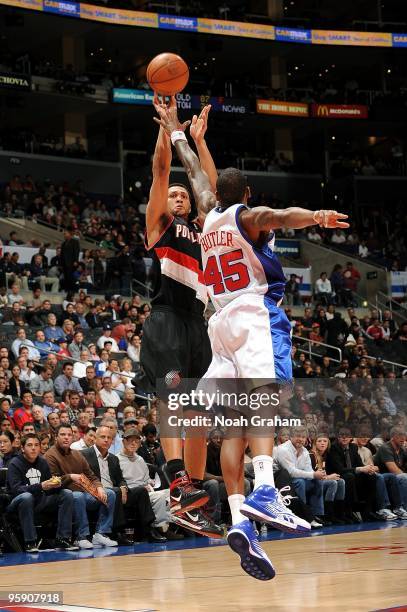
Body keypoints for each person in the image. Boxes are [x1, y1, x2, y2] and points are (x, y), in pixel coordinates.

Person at [157, 106, 348, 578]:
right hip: (252, 313)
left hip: (218, 324)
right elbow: (280, 216)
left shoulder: (208, 216)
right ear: (245, 194)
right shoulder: (247, 214)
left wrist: (177, 131)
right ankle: (265, 487)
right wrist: (318, 215)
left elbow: (198, 175)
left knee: (233, 427)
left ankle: (241, 520)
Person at [138, 97, 222, 538]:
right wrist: (165, 130)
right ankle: (176, 484)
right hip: (167, 317)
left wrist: (199, 141)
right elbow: (160, 170)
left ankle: (195, 497)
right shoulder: (161, 225)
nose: (179, 195)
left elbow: (207, 185)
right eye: (174, 194)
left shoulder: (205, 225)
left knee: (199, 414)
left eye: (182, 194)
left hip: (199, 325)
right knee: (172, 401)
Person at [81, 426, 166, 543]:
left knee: (141, 491)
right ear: (95, 438)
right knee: (115, 491)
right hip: (96, 492)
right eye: (103, 437)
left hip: (116, 491)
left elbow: (120, 479)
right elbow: (82, 477)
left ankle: (149, 530)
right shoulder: (84, 454)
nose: (106, 440)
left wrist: (123, 486)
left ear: (112, 441)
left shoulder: (113, 458)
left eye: (109, 438)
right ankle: (119, 532)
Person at [45, 424, 117, 549]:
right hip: (62, 496)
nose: (66, 437)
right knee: (77, 496)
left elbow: (91, 476)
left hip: (85, 493)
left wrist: (99, 487)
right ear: (56, 437)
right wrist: (70, 477)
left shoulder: (77, 454)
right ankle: (81, 537)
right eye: (63, 435)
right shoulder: (50, 455)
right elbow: (53, 481)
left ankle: (101, 533)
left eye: (69, 435)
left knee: (110, 493)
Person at [7, 433, 78, 552]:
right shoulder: (14, 463)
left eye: (36, 445)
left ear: (40, 448)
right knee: (26, 497)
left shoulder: (42, 462)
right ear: (22, 448)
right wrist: (41, 486)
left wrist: (56, 485)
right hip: (17, 503)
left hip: (40, 500)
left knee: (66, 494)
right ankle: (30, 542)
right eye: (29, 445)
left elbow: (48, 487)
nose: (33, 448)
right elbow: (16, 490)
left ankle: (62, 539)